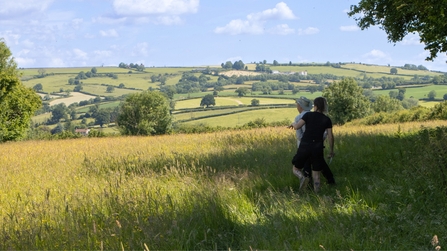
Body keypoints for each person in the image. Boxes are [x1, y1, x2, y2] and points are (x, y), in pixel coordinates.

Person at [290, 97, 335, 193]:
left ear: (315, 106)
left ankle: (302, 177)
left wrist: (293, 124)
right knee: (317, 175)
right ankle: (317, 196)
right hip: (317, 147)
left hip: (305, 145)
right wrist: (331, 151)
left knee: (296, 168)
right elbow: (330, 137)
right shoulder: (327, 120)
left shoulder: (308, 115)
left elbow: (297, 126)